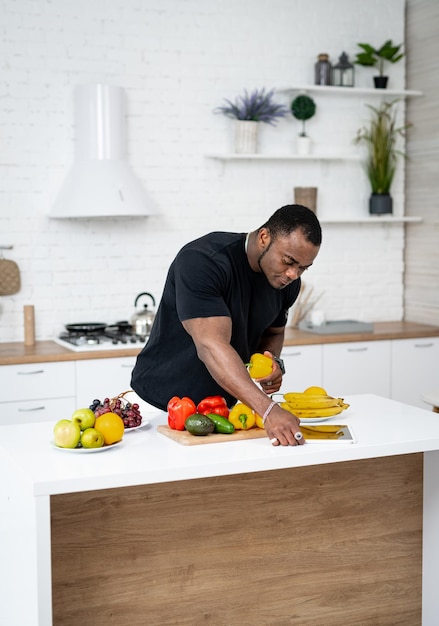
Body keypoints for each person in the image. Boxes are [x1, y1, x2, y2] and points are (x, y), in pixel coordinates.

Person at [131, 204, 321, 446]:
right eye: (289, 261)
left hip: (223, 412)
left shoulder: (285, 281)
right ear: (264, 237)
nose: (294, 274)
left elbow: (274, 330)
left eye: (303, 267)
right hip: (161, 406)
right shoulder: (202, 261)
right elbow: (211, 346)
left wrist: (272, 362)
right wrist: (269, 410)